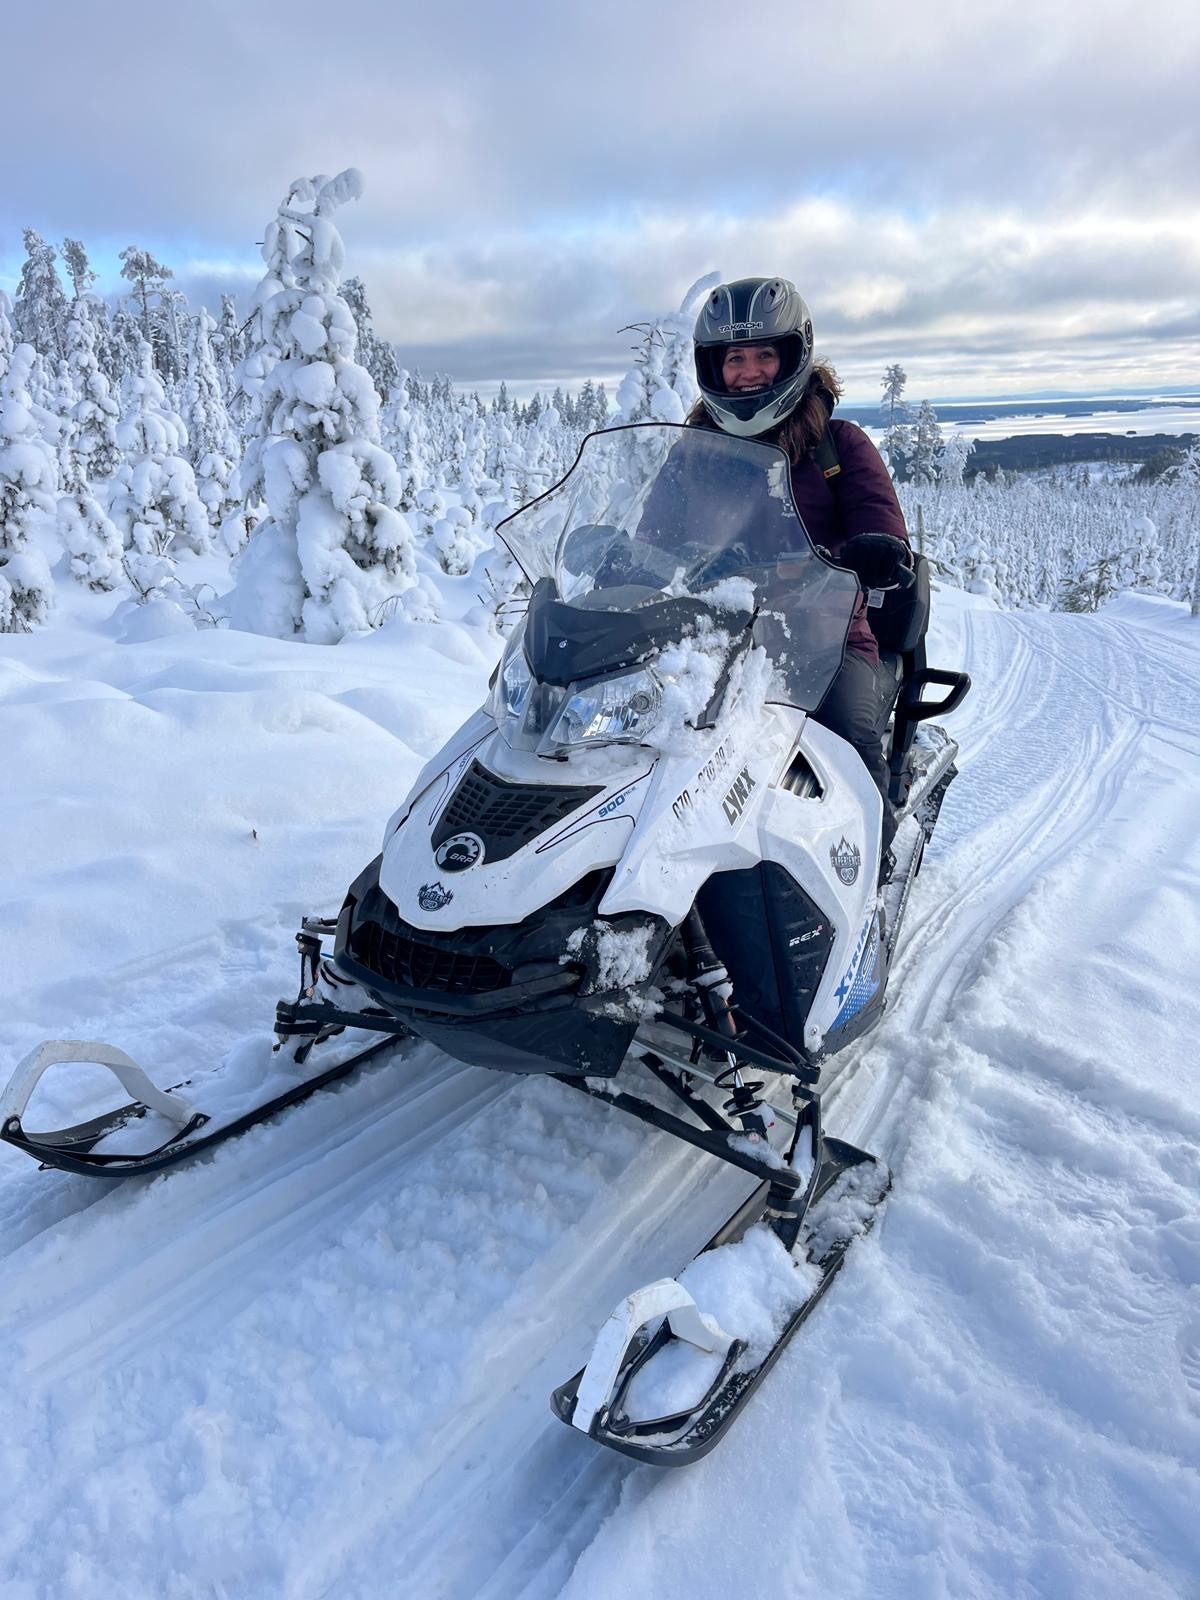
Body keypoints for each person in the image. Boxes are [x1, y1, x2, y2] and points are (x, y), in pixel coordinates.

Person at [689, 276, 913, 848]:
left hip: (824, 635)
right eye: (735, 358)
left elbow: (876, 511)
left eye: (765, 354)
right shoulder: (693, 450)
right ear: (713, 368)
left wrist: (874, 547)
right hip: (710, 633)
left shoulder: (839, 443)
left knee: (848, 741)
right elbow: (654, 528)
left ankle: (871, 862)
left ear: (793, 357)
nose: (750, 371)